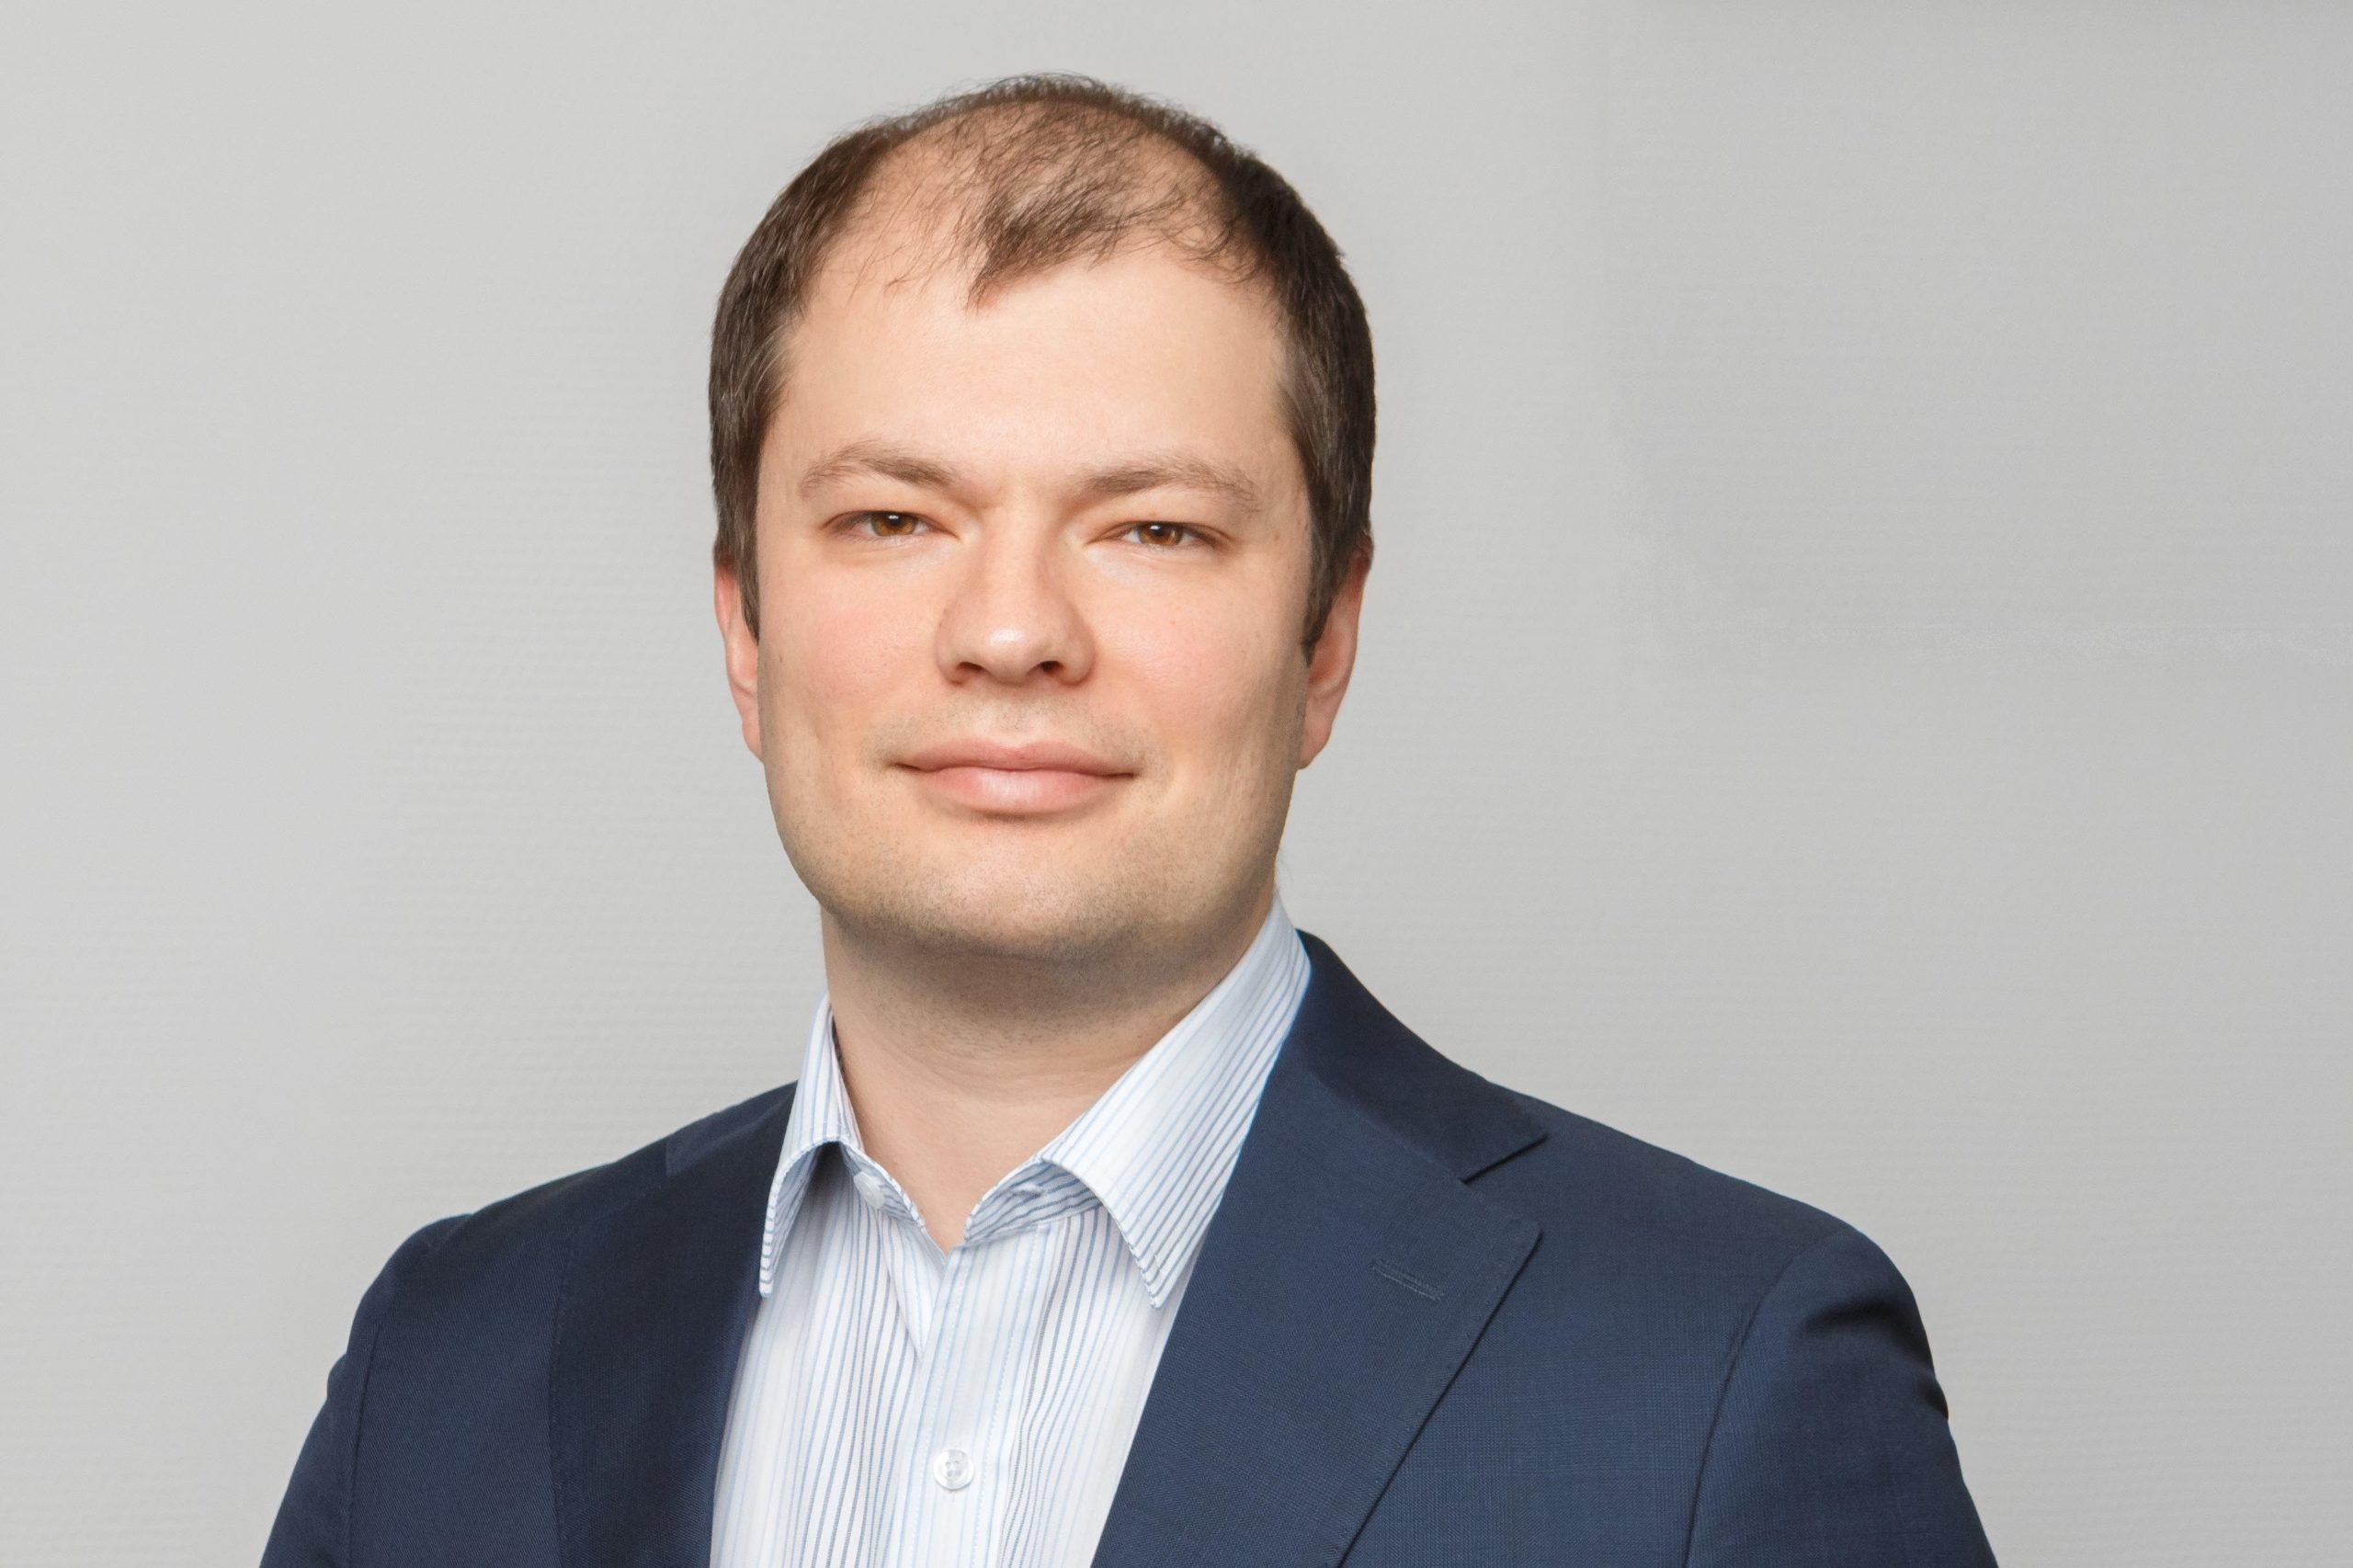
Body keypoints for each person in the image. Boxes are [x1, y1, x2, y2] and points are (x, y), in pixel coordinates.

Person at [262, 73, 1996, 1567]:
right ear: (745, 628)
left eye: (1154, 528)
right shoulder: (449, 1361)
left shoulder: (1717, 1375)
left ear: (1326, 640)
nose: (1012, 630)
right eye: (892, 519)